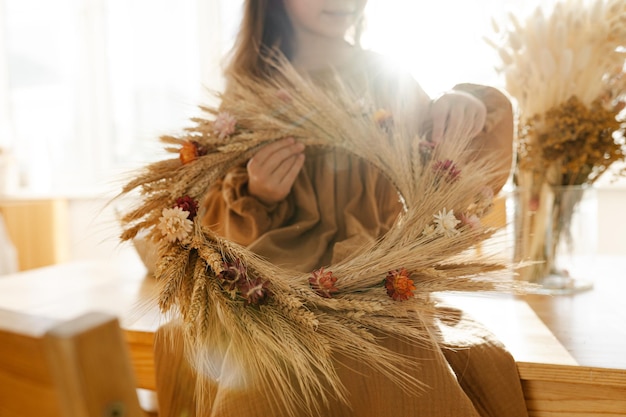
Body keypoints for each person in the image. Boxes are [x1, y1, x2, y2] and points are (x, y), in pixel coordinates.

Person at [194, 1, 528, 416]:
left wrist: (464, 104)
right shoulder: (250, 86)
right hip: (278, 289)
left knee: (412, 363)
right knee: (264, 383)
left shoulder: (383, 77)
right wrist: (259, 193)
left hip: (378, 280)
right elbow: (209, 220)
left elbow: (445, 158)